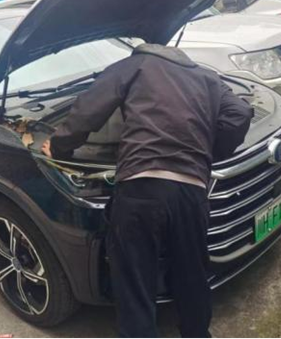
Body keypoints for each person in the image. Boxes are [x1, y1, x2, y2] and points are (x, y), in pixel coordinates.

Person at [41, 43, 253, 339]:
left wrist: (59, 146)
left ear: (143, 51)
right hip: (191, 192)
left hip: (141, 188)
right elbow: (239, 113)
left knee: (135, 284)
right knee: (192, 274)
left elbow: (87, 110)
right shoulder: (207, 77)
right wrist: (205, 152)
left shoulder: (134, 66)